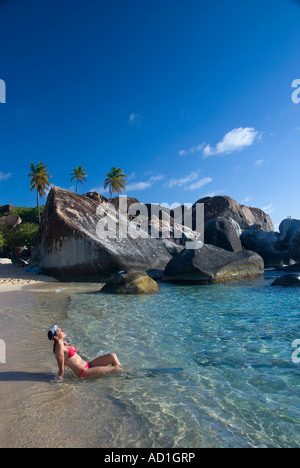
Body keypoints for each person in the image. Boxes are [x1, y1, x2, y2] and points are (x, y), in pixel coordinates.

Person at [48, 325, 123, 380]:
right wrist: (59, 380)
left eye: (60, 329)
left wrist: (67, 345)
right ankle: (128, 374)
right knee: (115, 369)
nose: (62, 330)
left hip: (88, 365)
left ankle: (121, 376)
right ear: (56, 337)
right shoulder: (59, 348)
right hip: (84, 372)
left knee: (112, 356)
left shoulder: (62, 343)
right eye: (59, 331)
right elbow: (61, 366)